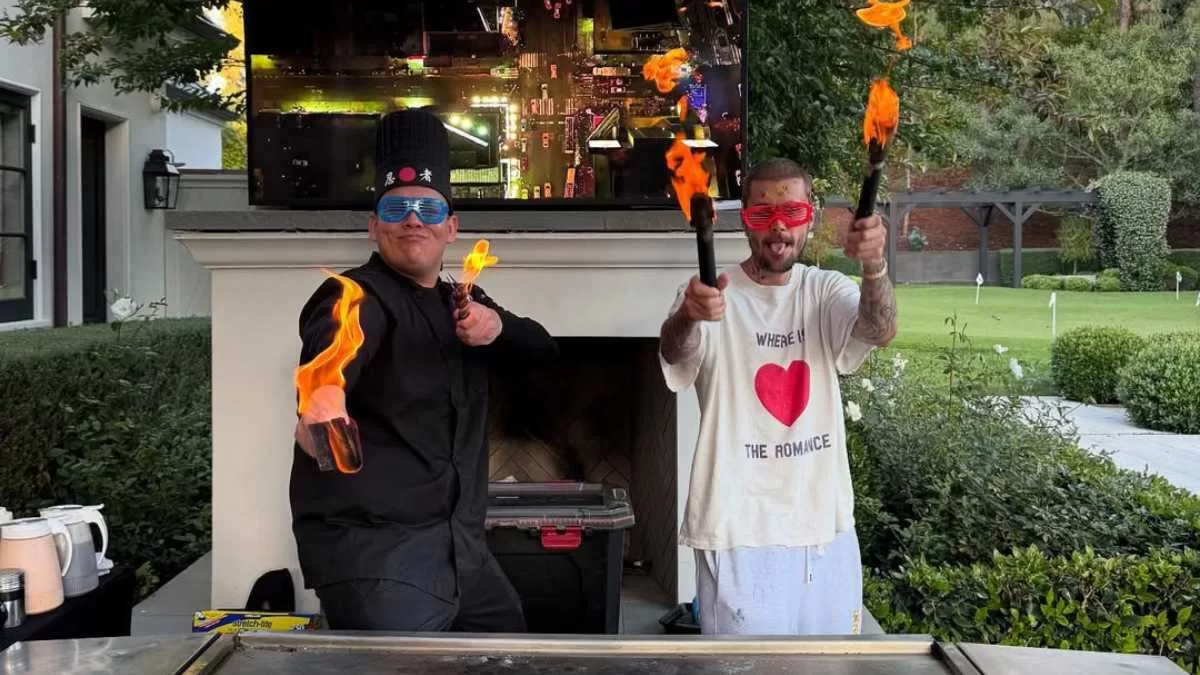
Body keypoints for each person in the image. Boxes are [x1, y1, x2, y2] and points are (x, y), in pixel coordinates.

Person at [289, 109, 559, 633]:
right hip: (379, 555)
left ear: (451, 227)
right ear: (374, 225)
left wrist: (497, 327)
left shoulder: (463, 299)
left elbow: (545, 352)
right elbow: (324, 387)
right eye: (396, 207)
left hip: (459, 548)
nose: (413, 220)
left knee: (508, 646)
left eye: (428, 208)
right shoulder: (351, 298)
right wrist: (322, 418)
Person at [658, 157, 897, 636]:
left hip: (825, 529)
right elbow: (674, 350)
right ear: (744, 219)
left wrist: (874, 267)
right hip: (738, 532)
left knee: (831, 668)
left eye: (792, 212)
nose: (779, 227)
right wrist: (689, 316)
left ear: (810, 216)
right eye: (763, 214)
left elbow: (878, 329)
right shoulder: (711, 295)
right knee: (748, 668)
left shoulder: (824, 289)